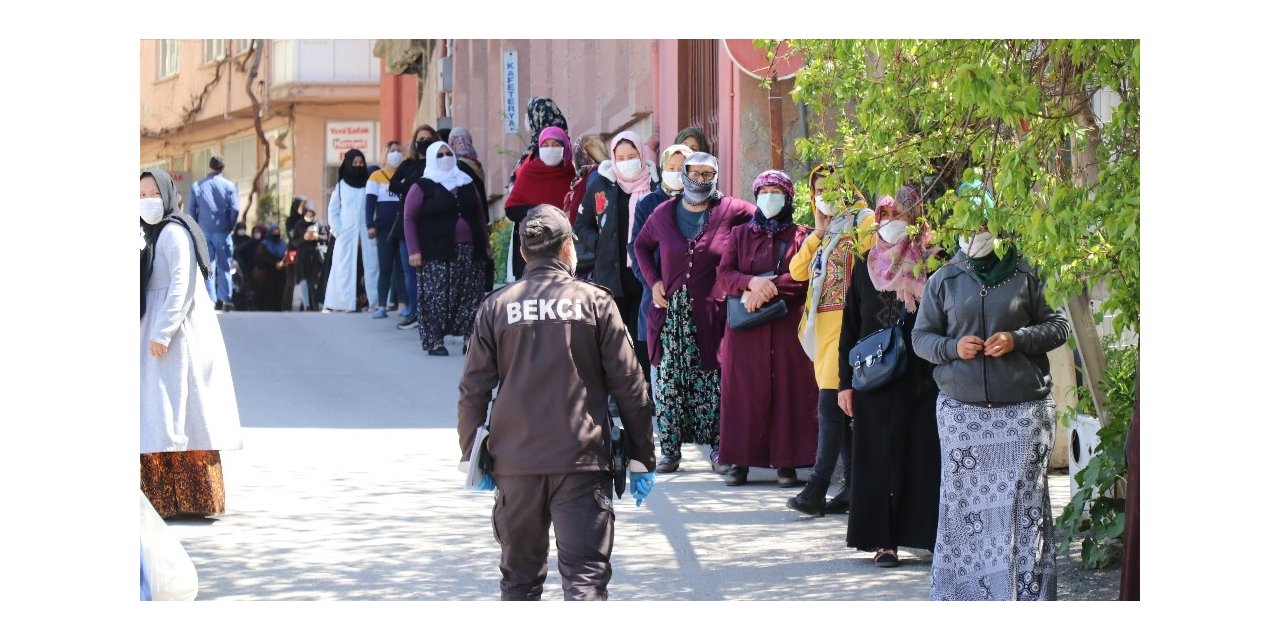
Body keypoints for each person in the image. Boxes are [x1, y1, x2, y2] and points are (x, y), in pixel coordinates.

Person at [457, 205, 655, 601]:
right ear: (567, 248)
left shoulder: (496, 306)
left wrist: (470, 454)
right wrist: (642, 456)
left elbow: (473, 389)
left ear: (525, 253)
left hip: (515, 463)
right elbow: (630, 385)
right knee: (585, 583)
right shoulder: (596, 302)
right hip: (582, 463)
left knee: (519, 583)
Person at [912, 181, 1071, 600]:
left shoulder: (1026, 273)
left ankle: (1021, 596)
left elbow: (1059, 325)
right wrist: (951, 347)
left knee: (1020, 508)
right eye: (965, 220)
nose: (973, 229)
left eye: (980, 219)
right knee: (965, 509)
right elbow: (921, 338)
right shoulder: (945, 278)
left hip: (1022, 414)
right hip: (963, 416)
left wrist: (1017, 339)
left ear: (994, 222)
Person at [836, 187, 942, 569]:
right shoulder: (866, 265)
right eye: (885, 215)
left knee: (922, 456)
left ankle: (928, 536)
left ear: (915, 219)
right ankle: (884, 542)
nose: (891, 222)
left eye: (901, 214)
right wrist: (844, 383)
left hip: (923, 377)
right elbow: (849, 329)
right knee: (877, 459)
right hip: (874, 379)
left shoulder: (932, 262)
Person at [633, 152, 754, 474]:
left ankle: (719, 449)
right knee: (670, 384)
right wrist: (654, 280)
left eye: (707, 174)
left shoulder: (731, 210)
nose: (700, 180)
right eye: (694, 173)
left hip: (711, 314)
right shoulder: (663, 213)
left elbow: (764, 224)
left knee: (713, 382)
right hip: (671, 316)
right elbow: (640, 246)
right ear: (684, 175)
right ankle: (670, 452)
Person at [140, 169, 243, 518]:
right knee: (161, 411)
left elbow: (182, 285)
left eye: (153, 193)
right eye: (140, 195)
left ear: (168, 194)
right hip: (160, 331)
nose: (146, 200)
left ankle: (184, 498)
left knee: (172, 410)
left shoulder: (172, 232)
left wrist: (163, 332)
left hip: (175, 336)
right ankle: (166, 499)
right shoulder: (151, 233)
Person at [785, 165, 877, 516]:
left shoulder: (862, 221)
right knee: (839, 403)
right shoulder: (825, 231)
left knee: (830, 402)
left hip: (850, 325)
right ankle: (852, 488)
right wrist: (817, 234)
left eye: (833, 187)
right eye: (819, 189)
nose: (826, 194)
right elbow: (796, 271)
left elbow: (878, 260)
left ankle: (817, 487)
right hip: (823, 326)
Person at [715, 170, 817, 487]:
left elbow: (804, 277)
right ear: (756, 195)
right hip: (746, 327)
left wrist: (766, 290)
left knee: (789, 391)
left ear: (788, 197)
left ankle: (787, 463)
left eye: (777, 191)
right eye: (764, 190)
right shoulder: (741, 234)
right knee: (743, 393)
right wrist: (751, 283)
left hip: (787, 326)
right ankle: (739, 462)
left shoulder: (802, 236)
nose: (770, 197)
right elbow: (724, 274)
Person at [573, 131, 656, 354]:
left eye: (632, 156)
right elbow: (581, 224)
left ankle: (644, 385)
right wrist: (599, 244)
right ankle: (621, 386)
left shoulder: (655, 184)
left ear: (641, 154)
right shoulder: (602, 185)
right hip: (612, 276)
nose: (627, 162)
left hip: (647, 277)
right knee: (616, 341)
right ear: (613, 158)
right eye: (621, 158)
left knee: (643, 340)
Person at [404, 141, 489, 355]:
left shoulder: (467, 182)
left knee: (471, 295)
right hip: (435, 252)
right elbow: (409, 218)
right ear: (432, 158)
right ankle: (435, 341)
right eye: (439, 155)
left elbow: (479, 215)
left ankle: (470, 338)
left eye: (447, 153)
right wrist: (414, 250)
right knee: (437, 296)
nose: (445, 158)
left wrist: (486, 243)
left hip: (470, 251)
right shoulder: (422, 186)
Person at [627, 143, 693, 392]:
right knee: (660, 363)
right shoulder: (649, 204)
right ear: (662, 168)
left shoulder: (702, 203)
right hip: (658, 296)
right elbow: (636, 248)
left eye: (682, 168)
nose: (676, 172)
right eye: (671, 167)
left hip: (694, 299)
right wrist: (652, 283)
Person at [504, 125, 575, 279]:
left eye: (556, 145)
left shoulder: (573, 174)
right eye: (546, 145)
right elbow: (511, 209)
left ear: (566, 147)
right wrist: (543, 213)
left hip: (563, 250)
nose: (551, 149)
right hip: (532, 249)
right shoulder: (530, 171)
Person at [390, 125, 441, 329]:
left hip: (430, 221)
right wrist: (412, 187)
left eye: (429, 138)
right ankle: (415, 311)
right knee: (409, 270)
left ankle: (431, 312)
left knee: (430, 269)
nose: (424, 141)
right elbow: (393, 184)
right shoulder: (409, 164)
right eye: (421, 138)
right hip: (407, 220)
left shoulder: (438, 162)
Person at [187, 155, 239, 311]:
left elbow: (190, 209)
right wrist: (230, 225)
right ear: (223, 168)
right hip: (223, 231)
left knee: (207, 266)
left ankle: (210, 300)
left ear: (210, 167)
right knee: (224, 266)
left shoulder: (197, 186)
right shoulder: (229, 186)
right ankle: (226, 300)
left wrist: (198, 226)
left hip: (204, 231)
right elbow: (235, 209)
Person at [323, 149, 369, 312]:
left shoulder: (369, 184)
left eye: (361, 163)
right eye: (355, 163)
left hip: (366, 235)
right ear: (348, 164)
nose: (358, 166)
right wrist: (339, 232)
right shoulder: (341, 187)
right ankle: (342, 303)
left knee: (370, 268)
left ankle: (371, 302)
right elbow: (333, 211)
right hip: (346, 236)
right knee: (343, 269)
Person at [365, 141, 405, 319]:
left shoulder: (405, 175)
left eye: (398, 150)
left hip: (403, 228)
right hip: (383, 229)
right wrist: (370, 225)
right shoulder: (376, 176)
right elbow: (370, 203)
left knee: (403, 268)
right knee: (385, 267)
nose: (395, 154)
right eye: (392, 151)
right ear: (385, 154)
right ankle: (381, 305)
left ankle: (403, 305)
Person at [291, 203, 324, 311]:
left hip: (315, 256)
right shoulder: (299, 224)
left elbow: (326, 237)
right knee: (303, 281)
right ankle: (307, 305)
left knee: (315, 281)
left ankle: (317, 304)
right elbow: (294, 242)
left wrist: (317, 237)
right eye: (307, 214)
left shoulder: (319, 223)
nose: (309, 217)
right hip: (302, 257)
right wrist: (304, 238)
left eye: (312, 215)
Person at [253, 224, 290, 311]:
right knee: (267, 292)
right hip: (267, 273)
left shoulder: (283, 244)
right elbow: (263, 256)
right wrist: (275, 263)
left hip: (281, 273)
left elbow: (287, 255)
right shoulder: (264, 245)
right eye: (274, 233)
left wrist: (282, 263)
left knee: (280, 291)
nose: (276, 235)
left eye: (278, 233)